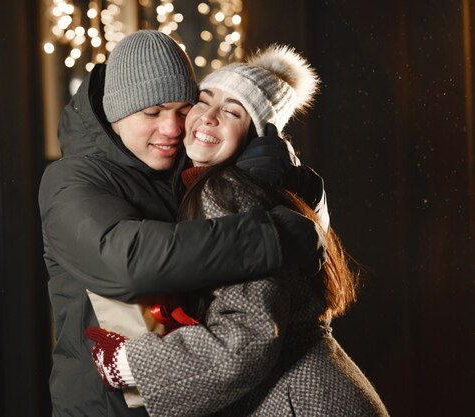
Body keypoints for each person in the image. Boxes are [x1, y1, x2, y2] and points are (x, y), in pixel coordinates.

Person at [84, 44, 390, 417]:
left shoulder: (226, 191)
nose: (209, 117)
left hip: (299, 400)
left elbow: (250, 335)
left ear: (255, 136)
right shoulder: (248, 183)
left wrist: (129, 363)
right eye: (203, 100)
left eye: (232, 112)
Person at [38, 31, 325, 417]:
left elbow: (312, 262)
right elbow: (129, 262)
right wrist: (271, 236)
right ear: (115, 111)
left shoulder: (191, 166)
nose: (172, 129)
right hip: (107, 407)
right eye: (152, 113)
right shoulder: (71, 181)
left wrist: (286, 179)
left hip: (195, 399)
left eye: (181, 109)